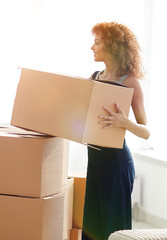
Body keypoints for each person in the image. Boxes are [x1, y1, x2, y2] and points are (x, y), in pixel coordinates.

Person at [82, 22, 150, 240]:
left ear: (111, 46)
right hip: (94, 158)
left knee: (114, 228)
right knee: (91, 224)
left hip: (117, 163)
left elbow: (145, 131)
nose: (92, 47)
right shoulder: (94, 77)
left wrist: (124, 122)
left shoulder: (130, 82)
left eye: (97, 42)